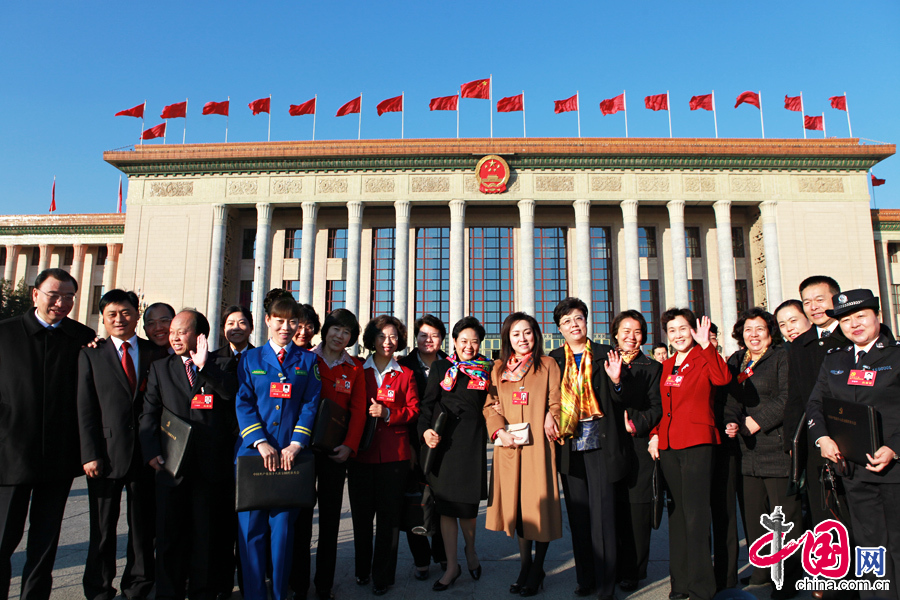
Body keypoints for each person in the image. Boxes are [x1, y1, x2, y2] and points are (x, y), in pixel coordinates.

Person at [0, 268, 96, 600]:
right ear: (35, 294)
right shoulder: (5, 334)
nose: (61, 302)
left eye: (68, 296)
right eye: (54, 294)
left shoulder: (82, 337)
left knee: (45, 541)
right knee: (3, 537)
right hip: (10, 455)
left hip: (58, 456)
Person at [139, 310, 238, 600]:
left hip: (210, 469)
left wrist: (205, 366)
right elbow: (149, 414)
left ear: (199, 335)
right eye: (172, 331)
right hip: (171, 466)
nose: (174, 337)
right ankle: (168, 592)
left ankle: (202, 592)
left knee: (205, 537)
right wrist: (152, 452)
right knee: (169, 537)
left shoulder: (223, 364)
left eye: (181, 331)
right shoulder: (161, 367)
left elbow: (233, 397)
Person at [807, 289, 900, 596]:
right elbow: (816, 404)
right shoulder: (837, 359)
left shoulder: (896, 356)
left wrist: (894, 447)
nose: (854, 325)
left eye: (861, 316)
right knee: (868, 544)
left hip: (893, 471)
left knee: (896, 545)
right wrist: (822, 437)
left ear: (878, 316)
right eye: (846, 319)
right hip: (852, 469)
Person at [234, 294, 321, 600]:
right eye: (280, 320)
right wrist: (259, 441)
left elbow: (310, 405)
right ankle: (256, 595)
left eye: (292, 321)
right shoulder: (250, 358)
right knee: (250, 533)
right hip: (254, 456)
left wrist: (296, 444)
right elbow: (243, 402)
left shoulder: (308, 361)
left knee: (283, 534)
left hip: (289, 458)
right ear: (268, 321)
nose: (286, 327)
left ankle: (280, 594)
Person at [546, 298, 628, 600]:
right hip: (569, 444)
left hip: (600, 443)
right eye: (567, 321)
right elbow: (548, 397)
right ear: (559, 329)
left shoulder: (607, 354)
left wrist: (618, 382)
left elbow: (623, 400)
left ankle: (607, 585)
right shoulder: (554, 359)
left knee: (604, 517)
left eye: (578, 318)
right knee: (579, 515)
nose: (574, 325)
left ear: (586, 322)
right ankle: (586, 578)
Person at [77, 289, 157, 600]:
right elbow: (85, 408)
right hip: (105, 456)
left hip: (146, 455)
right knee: (101, 529)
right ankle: (98, 588)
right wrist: (89, 453)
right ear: (104, 319)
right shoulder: (91, 354)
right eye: (112, 314)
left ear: (137, 316)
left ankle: (138, 586)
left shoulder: (155, 353)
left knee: (141, 527)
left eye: (125, 313)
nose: (119, 319)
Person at [649, 309, 731, 600]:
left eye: (683, 328)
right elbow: (664, 406)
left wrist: (706, 345)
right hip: (670, 445)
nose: (678, 335)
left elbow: (722, 379)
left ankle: (701, 587)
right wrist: (655, 434)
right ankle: (680, 583)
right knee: (678, 514)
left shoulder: (704, 357)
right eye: (672, 330)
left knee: (696, 516)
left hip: (697, 442)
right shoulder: (668, 363)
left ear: (693, 330)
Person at [724, 308, 801, 597]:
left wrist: (758, 422)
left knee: (784, 518)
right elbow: (729, 397)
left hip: (776, 447)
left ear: (770, 333)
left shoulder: (782, 356)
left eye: (760, 329)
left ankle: (788, 579)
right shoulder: (736, 360)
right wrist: (731, 420)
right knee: (755, 516)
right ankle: (761, 572)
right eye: (748, 329)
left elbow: (788, 397)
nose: (753, 335)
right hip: (745, 451)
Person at [484, 312, 562, 596]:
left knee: (538, 509)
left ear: (536, 334)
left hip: (538, 448)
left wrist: (551, 415)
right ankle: (525, 566)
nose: (522, 339)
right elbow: (490, 405)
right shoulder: (499, 368)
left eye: (527, 332)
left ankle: (537, 567)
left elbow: (558, 398)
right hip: (510, 447)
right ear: (508, 338)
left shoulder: (548, 364)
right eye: (516, 334)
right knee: (517, 510)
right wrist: (498, 431)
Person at [292, 309, 367, 600]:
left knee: (331, 521)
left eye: (347, 332)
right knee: (300, 520)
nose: (340, 336)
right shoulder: (307, 359)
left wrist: (349, 446)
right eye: (336, 329)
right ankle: (298, 584)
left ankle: (324, 584)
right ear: (327, 330)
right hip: (304, 451)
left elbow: (358, 411)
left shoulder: (354, 369)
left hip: (335, 453)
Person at [348, 315, 420, 596]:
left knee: (389, 521)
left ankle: (383, 576)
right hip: (361, 456)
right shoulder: (357, 369)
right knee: (362, 518)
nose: (387, 342)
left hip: (394, 457)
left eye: (393, 337)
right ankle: (362, 570)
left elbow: (413, 411)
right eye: (381, 336)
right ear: (371, 340)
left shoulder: (406, 374)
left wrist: (389, 413)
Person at [420, 317, 492, 592]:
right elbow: (427, 406)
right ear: (455, 342)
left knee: (468, 508)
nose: (469, 346)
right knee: (447, 509)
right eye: (464, 341)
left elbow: (494, 403)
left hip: (471, 444)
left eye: (474, 341)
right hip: (444, 444)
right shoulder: (440, 367)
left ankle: (470, 552)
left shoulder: (487, 369)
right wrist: (426, 431)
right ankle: (452, 565)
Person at [782, 277, 854, 546]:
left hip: (850, 437)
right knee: (821, 509)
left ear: (835, 299)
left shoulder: (852, 333)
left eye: (819, 300)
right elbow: (796, 396)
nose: (813, 307)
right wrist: (793, 440)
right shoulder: (801, 344)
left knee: (853, 508)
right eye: (807, 302)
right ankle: (830, 576)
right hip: (815, 438)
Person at [610, 311, 662, 593]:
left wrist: (636, 424)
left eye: (637, 331)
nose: (631, 336)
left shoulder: (652, 367)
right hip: (609, 445)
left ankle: (634, 569)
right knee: (613, 508)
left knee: (638, 509)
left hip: (638, 445)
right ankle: (614, 565)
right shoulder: (605, 362)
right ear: (615, 333)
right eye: (625, 330)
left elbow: (657, 407)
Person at [397, 315, 449, 579]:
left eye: (434, 335)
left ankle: (442, 554)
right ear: (415, 339)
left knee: (441, 502)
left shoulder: (451, 366)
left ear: (442, 338)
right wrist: (409, 446)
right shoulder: (403, 366)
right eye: (423, 335)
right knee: (414, 501)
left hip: (444, 446)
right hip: (412, 446)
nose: (428, 340)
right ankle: (421, 558)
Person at [209, 305, 254, 600]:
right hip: (218, 450)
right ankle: (221, 584)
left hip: (251, 449)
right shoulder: (210, 360)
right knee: (221, 523)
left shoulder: (260, 357)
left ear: (251, 327)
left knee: (249, 523)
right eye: (230, 322)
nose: (235, 327)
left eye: (241, 322)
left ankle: (251, 578)